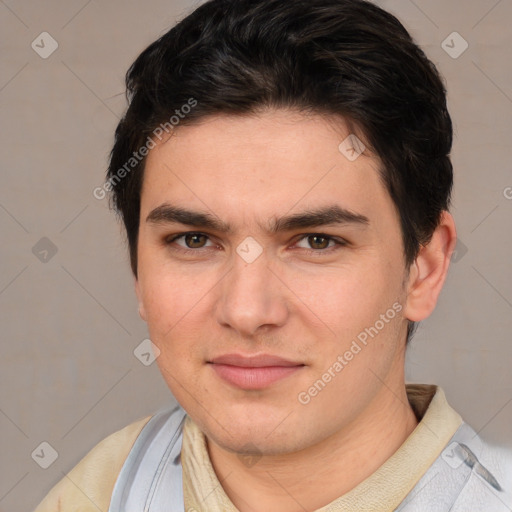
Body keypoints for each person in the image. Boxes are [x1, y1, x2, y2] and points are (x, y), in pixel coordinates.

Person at [35, 0, 512, 510]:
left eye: (316, 241)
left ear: (425, 268)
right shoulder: (94, 495)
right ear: (137, 270)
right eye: (194, 240)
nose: (246, 311)